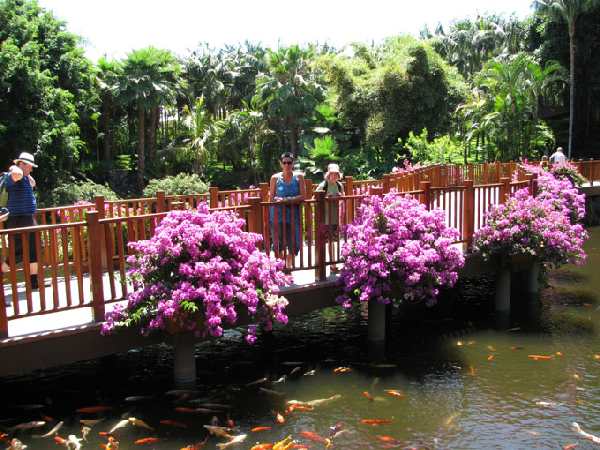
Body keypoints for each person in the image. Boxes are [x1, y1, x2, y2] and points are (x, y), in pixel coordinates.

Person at [1, 152, 41, 289]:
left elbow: (33, 183)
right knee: (16, 253)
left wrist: (27, 172)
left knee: (34, 250)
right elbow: (16, 173)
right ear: (22, 164)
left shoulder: (25, 177)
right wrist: (15, 167)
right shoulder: (13, 176)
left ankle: (34, 282)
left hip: (28, 218)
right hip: (18, 220)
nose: (31, 169)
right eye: (29, 166)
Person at [269, 152, 306, 271]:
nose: (287, 165)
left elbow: (303, 196)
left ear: (293, 163)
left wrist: (287, 199)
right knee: (279, 241)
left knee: (294, 241)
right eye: (284, 162)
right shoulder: (275, 178)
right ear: (281, 164)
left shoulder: (299, 177)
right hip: (278, 215)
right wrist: (278, 200)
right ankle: (282, 267)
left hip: (294, 215)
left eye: (289, 162)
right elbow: (272, 198)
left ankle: (288, 266)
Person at [315, 163, 344, 273]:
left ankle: (333, 264)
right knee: (328, 242)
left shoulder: (339, 185)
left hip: (335, 217)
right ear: (328, 174)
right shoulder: (323, 185)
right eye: (332, 174)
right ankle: (330, 265)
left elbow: (343, 196)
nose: (334, 176)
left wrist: (339, 197)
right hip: (325, 218)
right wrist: (327, 198)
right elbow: (315, 198)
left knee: (334, 241)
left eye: (336, 174)